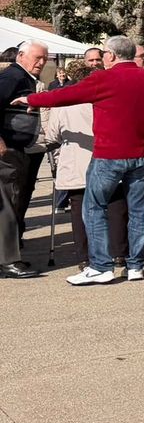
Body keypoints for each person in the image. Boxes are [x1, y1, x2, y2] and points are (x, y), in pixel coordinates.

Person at [23, 36, 144, 284]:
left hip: (109, 155)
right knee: (138, 211)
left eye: (105, 53)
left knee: (94, 208)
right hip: (141, 155)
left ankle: (101, 266)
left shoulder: (104, 78)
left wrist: (31, 99)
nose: (103, 57)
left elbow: (66, 95)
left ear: (112, 56)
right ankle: (135, 265)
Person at [42, 60, 131, 273]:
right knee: (114, 205)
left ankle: (84, 256)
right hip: (107, 155)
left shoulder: (64, 101)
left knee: (80, 208)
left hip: (77, 159)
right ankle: (119, 252)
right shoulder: (108, 95)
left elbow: (52, 133)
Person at [0, 39, 48, 271]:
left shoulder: (24, 77)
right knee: (8, 205)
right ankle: (7, 261)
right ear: (20, 55)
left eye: (44, 59)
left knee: (12, 203)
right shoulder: (14, 77)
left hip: (16, 148)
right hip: (7, 150)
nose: (41, 62)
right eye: (37, 58)